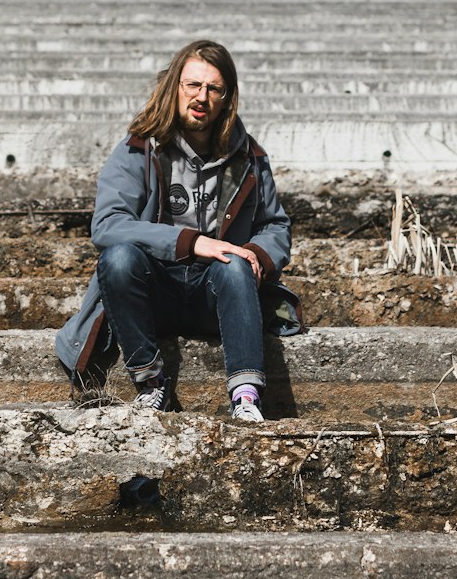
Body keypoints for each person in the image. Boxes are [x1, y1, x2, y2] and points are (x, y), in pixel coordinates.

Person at [55, 39, 300, 423]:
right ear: (175, 87)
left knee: (235, 261)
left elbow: (276, 225)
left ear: (226, 98)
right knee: (118, 258)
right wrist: (193, 243)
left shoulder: (249, 157)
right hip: (155, 295)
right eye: (192, 85)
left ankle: (247, 397)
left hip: (218, 293)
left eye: (213, 88)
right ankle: (152, 384)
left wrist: (256, 253)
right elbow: (107, 225)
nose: (201, 97)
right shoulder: (138, 148)